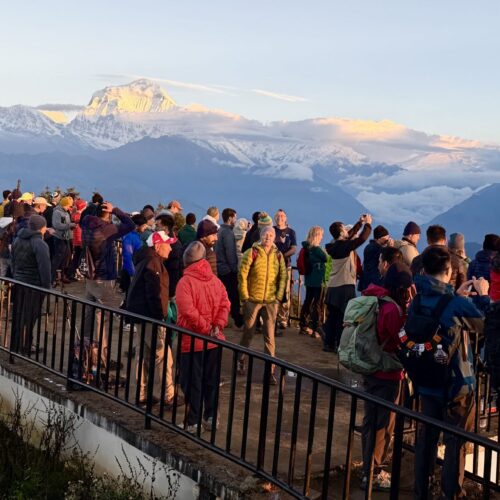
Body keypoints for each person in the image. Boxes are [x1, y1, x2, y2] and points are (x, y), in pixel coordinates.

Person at [409, 246, 490, 499]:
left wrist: (455, 296)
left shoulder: (417, 299)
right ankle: (450, 493)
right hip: (456, 384)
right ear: (448, 271)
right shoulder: (455, 304)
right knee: (455, 441)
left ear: (424, 271)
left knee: (427, 437)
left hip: (425, 380)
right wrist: (483, 295)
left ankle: (421, 490)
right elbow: (487, 323)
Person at [360, 262, 413, 491]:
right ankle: (374, 472)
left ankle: (368, 468)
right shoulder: (393, 310)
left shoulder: (375, 298)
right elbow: (403, 340)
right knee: (383, 425)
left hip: (370, 367)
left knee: (370, 420)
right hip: (387, 372)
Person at [176, 241, 230, 432]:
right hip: (214, 340)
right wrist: (217, 326)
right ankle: (211, 417)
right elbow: (225, 304)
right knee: (211, 381)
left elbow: (187, 311)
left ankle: (193, 421)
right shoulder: (215, 280)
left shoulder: (185, 282)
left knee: (191, 382)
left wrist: (206, 328)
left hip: (192, 341)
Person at [126, 231, 177, 406]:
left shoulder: (145, 259)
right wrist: (159, 316)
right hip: (150, 316)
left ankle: (141, 393)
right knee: (163, 355)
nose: (170, 248)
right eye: (167, 244)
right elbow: (154, 293)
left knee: (143, 354)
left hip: (140, 314)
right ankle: (168, 395)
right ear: (157, 245)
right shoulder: (153, 263)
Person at [81, 201, 134, 361]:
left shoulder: (86, 224)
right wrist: (115, 209)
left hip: (90, 275)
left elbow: (85, 215)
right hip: (103, 277)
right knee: (103, 318)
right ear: (108, 214)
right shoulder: (106, 229)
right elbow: (130, 224)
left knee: (89, 315)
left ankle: (84, 352)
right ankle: (101, 359)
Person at [238, 226, 287, 384]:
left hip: (271, 301)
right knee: (248, 332)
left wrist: (278, 297)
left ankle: (270, 371)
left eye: (271, 235)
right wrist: (245, 298)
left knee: (270, 336)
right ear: (261, 236)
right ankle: (240, 359)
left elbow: (283, 276)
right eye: (266, 234)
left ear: (274, 238)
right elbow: (242, 275)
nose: (268, 237)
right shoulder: (251, 252)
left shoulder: (278, 255)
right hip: (253, 300)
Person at [322, 214, 372, 352]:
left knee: (332, 317)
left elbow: (349, 236)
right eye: (344, 228)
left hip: (333, 286)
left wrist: (360, 223)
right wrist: (368, 224)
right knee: (342, 317)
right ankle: (340, 344)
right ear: (340, 232)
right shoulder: (343, 247)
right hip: (344, 286)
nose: (346, 230)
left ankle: (328, 343)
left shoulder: (335, 246)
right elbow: (361, 239)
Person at [10, 215, 51, 354]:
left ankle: (17, 344)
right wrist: (46, 288)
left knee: (19, 315)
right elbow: (45, 268)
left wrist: (16, 276)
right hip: (33, 285)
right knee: (29, 317)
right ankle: (24, 346)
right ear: (41, 227)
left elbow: (13, 261)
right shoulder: (39, 244)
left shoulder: (17, 239)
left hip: (19, 282)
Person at [411, 225, 467, 291]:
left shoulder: (416, 261)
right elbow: (463, 287)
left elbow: (412, 285)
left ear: (428, 240)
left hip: (422, 296)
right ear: (445, 240)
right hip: (449, 296)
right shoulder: (457, 261)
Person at [216, 208, 243, 327]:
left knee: (223, 296)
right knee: (233, 295)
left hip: (220, 268)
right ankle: (237, 319)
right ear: (230, 218)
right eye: (235, 217)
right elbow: (230, 253)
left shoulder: (219, 230)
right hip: (227, 270)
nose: (235, 220)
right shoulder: (228, 233)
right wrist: (234, 269)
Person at [299, 226, 327, 337]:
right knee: (317, 304)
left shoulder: (306, 247)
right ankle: (316, 328)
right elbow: (325, 258)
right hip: (318, 280)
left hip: (309, 278)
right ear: (317, 235)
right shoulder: (316, 249)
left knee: (307, 301)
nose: (322, 237)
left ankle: (303, 324)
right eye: (321, 235)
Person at [273, 209, 297, 330]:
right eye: (278, 216)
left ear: (286, 218)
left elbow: (294, 248)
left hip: (285, 266)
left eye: (282, 216)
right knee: (273, 290)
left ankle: (283, 318)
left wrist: (283, 255)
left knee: (285, 292)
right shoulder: (271, 230)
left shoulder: (291, 232)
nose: (280, 218)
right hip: (272, 266)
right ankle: (272, 316)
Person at [358, 225, 391, 292]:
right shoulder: (374, 248)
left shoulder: (370, 246)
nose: (388, 240)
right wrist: (389, 247)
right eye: (386, 238)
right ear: (379, 238)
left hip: (367, 282)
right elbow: (385, 255)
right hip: (372, 283)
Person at [121, 213, 148, 296]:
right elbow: (127, 256)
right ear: (137, 226)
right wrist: (133, 273)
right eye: (144, 226)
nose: (146, 227)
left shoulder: (136, 235)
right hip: (130, 271)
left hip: (134, 269)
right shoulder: (130, 237)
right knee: (129, 296)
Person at [51, 196, 75, 284]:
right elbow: (57, 225)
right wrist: (70, 225)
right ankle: (52, 278)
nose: (69, 207)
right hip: (59, 238)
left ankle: (62, 275)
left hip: (66, 237)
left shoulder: (65, 212)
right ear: (65, 204)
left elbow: (64, 224)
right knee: (57, 259)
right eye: (69, 205)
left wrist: (70, 226)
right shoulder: (57, 212)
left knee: (65, 258)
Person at [68, 198, 86, 280]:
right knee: (78, 258)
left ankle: (72, 273)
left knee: (76, 257)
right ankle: (72, 273)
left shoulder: (74, 215)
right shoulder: (80, 216)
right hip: (79, 240)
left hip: (75, 240)